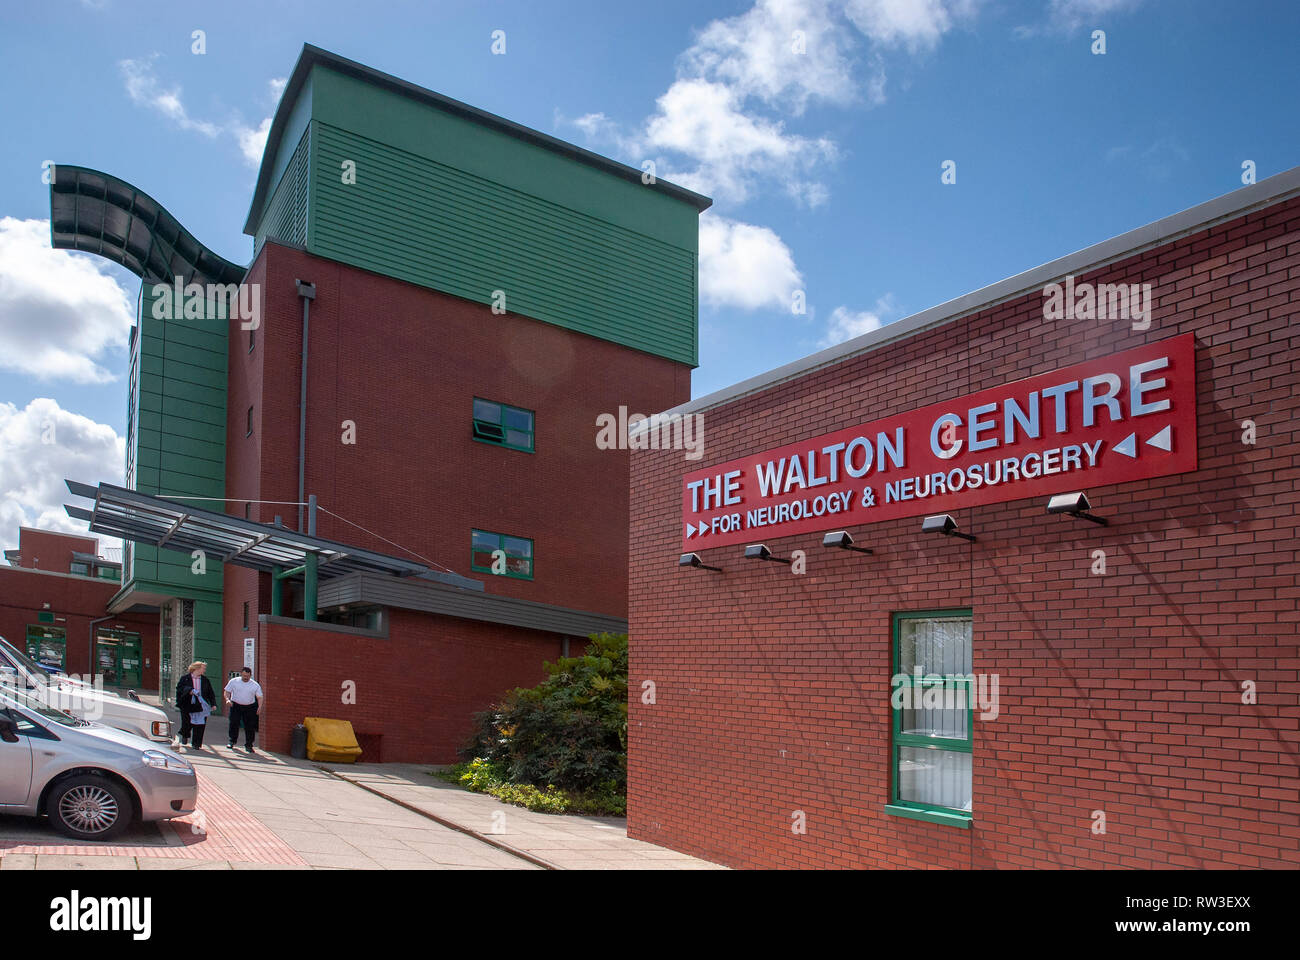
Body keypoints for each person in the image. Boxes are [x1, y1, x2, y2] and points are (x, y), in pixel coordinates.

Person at [174, 662, 215, 749]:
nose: (204, 670)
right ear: (197, 668)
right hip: (187, 704)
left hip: (200, 704)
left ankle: (196, 743)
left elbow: (210, 693)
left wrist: (213, 704)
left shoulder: (205, 680)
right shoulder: (185, 678)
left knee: (200, 724)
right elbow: (180, 689)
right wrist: (189, 691)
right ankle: (185, 735)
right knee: (187, 722)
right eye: (203, 668)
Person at [224, 667, 264, 754]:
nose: (246, 677)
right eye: (244, 675)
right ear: (241, 674)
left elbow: (260, 697)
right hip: (236, 705)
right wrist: (227, 699)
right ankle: (232, 741)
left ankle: (249, 745)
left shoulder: (255, 685)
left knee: (250, 726)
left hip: (249, 707)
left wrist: (260, 707)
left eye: (248, 676)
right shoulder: (234, 681)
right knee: (234, 723)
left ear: (250, 675)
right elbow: (227, 691)